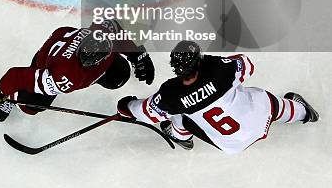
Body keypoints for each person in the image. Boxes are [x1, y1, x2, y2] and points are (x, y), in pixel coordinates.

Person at [117, 41, 319, 154]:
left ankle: (182, 138)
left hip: (230, 143)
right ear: (198, 62)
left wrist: (125, 106)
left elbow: (146, 113)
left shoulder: (170, 93)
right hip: (258, 118)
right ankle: (304, 113)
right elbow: (247, 65)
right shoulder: (219, 70)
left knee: (178, 116)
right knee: (267, 102)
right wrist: (214, 64)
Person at [0, 19, 155, 122]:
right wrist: (2, 94)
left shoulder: (102, 32)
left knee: (119, 76)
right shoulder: (63, 77)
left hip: (63, 41)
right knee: (31, 106)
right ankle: (11, 99)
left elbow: (115, 28)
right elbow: (15, 76)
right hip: (47, 64)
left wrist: (138, 55)